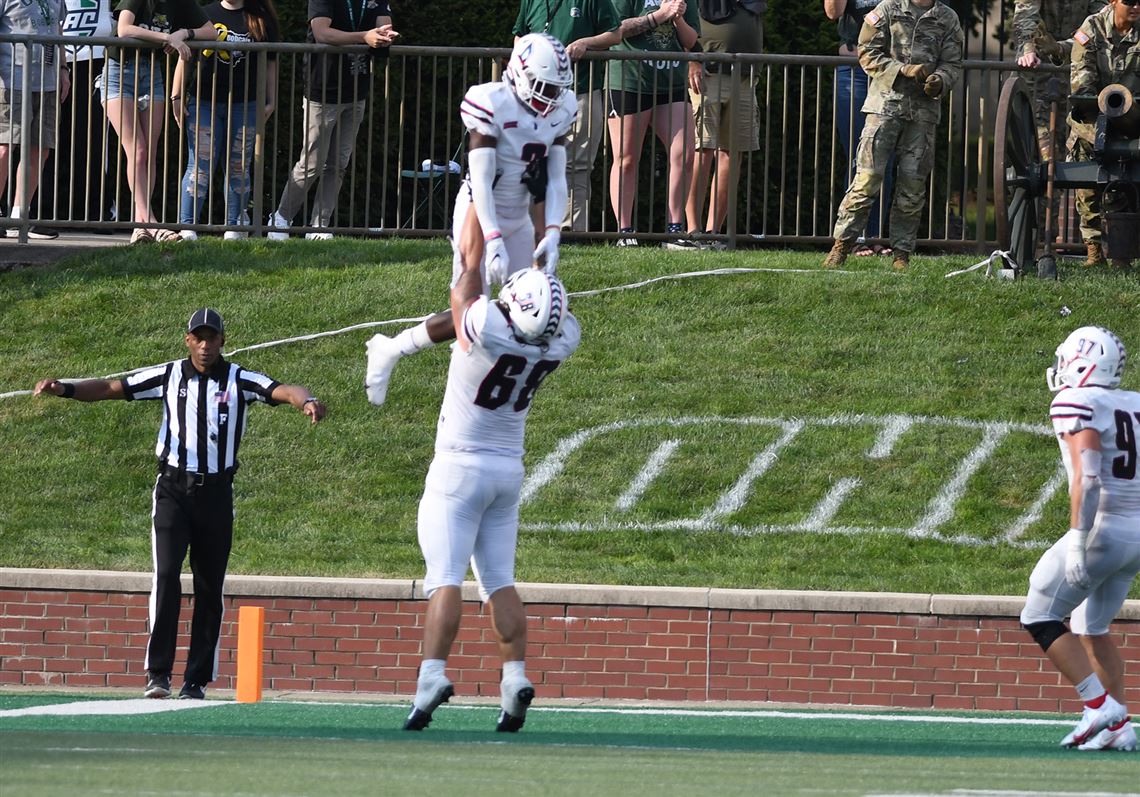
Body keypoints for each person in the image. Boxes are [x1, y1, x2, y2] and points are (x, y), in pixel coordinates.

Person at [32, 308, 327, 700]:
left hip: (216, 494)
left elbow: (284, 389)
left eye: (212, 338)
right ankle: (158, 674)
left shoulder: (239, 378)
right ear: (187, 340)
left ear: (223, 341)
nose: (205, 346)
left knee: (209, 586)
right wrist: (64, 388)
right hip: (172, 489)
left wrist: (307, 401)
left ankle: (196, 680)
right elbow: (110, 388)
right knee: (167, 576)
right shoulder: (168, 375)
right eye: (198, 338)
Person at [402, 249, 580, 734]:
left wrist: (478, 241)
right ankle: (514, 678)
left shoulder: (487, 325)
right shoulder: (561, 341)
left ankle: (432, 676)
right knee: (499, 580)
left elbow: (463, 288)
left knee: (444, 577)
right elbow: (553, 316)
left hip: (459, 467)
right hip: (508, 470)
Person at [363, 32, 576, 407]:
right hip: (480, 209)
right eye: (543, 87)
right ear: (520, 74)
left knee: (527, 306)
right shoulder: (492, 101)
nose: (550, 98)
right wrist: (492, 238)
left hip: (520, 210)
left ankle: (397, 347)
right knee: (471, 301)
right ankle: (404, 358)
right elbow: (480, 179)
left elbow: (557, 176)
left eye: (556, 89)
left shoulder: (561, 109)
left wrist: (555, 230)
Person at [1020, 325, 1138, 752]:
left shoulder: (1075, 400)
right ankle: (1120, 727)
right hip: (1137, 534)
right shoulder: (1135, 403)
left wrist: (1077, 540)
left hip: (1104, 530)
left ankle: (1098, 706)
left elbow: (1088, 478)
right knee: (1092, 624)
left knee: (1039, 615)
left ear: (1084, 363)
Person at [821, 0, 962, 271]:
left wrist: (941, 80)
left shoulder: (948, 18)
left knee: (912, 186)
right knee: (866, 179)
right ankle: (841, 246)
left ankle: (901, 254)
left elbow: (953, 63)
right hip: (885, 107)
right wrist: (900, 70)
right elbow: (867, 50)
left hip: (923, 113)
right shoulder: (887, 9)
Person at [265, 0, 397, 241]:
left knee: (338, 164)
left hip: (356, 90)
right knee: (312, 162)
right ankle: (281, 218)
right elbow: (321, 32)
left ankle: (319, 225)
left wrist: (383, 34)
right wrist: (364, 37)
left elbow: (383, 25)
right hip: (323, 90)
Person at [102, 0, 216, 244]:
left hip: (151, 73)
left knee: (149, 153)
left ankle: (140, 224)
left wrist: (184, 33)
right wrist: (166, 39)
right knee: (138, 150)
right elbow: (124, 28)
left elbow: (211, 31)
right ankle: (148, 222)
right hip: (119, 71)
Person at [172, 0, 280, 241]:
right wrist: (176, 96)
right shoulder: (204, 13)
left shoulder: (261, 16)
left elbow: (271, 61)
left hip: (247, 104)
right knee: (200, 164)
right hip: (203, 102)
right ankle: (187, 227)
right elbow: (184, 57)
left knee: (239, 166)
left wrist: (271, 99)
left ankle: (236, 227)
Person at [512, 0, 622, 233]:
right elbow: (519, 36)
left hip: (581, 90)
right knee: (531, 161)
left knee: (577, 165)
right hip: (535, 96)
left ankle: (570, 231)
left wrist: (586, 43)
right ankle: (531, 229)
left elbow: (614, 34)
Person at [606, 0, 701, 248]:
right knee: (626, 159)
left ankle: (675, 231)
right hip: (629, 79)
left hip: (671, 82)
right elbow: (617, 29)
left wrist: (678, 17)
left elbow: (691, 41)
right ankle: (625, 232)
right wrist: (659, 15)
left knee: (686, 153)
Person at [683, 0, 764, 248]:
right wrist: (692, 60)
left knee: (733, 153)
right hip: (708, 75)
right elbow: (679, 23)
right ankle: (692, 233)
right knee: (702, 152)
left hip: (745, 77)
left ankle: (714, 234)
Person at [1067, 0, 1139, 270]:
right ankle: (1094, 250)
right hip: (1092, 121)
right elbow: (1082, 79)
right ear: (1113, 2)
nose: (1136, 6)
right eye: (1129, 1)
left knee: (1125, 186)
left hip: (1134, 123)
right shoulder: (1092, 29)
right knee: (1087, 190)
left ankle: (1122, 255)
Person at [824, 0, 893, 256]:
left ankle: (874, 236)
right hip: (854, 69)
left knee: (885, 156)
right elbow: (833, 12)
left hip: (889, 70)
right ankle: (852, 237)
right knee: (858, 155)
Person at [0, 0, 70, 239]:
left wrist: (63, 69)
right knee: (4, 147)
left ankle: (20, 218)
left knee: (40, 149)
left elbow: (57, 29)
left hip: (47, 81)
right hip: (12, 81)